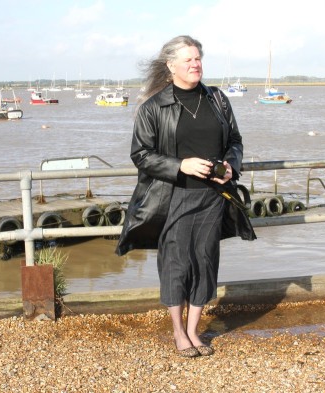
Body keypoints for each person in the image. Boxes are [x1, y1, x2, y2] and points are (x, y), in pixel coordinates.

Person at [116, 35, 255, 358]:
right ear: (171, 65)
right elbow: (141, 155)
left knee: (205, 262)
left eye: (198, 59)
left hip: (213, 196)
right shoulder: (154, 107)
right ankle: (178, 331)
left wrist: (231, 165)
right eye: (189, 60)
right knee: (176, 265)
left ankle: (194, 331)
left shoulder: (217, 99)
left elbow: (235, 140)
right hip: (172, 196)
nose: (196, 64)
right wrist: (182, 165)